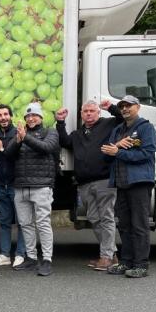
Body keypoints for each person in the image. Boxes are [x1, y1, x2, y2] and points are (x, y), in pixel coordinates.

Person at [55, 100, 123, 271]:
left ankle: (106, 257)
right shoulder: (78, 134)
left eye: (92, 110)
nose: (89, 114)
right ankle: (111, 253)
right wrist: (60, 122)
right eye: (85, 111)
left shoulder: (108, 124)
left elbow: (123, 118)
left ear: (98, 113)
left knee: (106, 217)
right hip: (84, 183)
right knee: (93, 217)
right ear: (81, 114)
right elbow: (65, 142)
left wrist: (112, 108)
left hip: (104, 180)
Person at [101, 95, 156, 278]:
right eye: (122, 106)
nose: (125, 109)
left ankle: (141, 265)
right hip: (121, 183)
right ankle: (125, 262)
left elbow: (147, 153)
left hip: (139, 182)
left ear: (138, 107)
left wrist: (119, 152)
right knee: (124, 225)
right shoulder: (117, 130)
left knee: (139, 225)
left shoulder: (145, 128)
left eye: (129, 106)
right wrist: (116, 147)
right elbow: (106, 155)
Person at [5, 102, 60, 276]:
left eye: (34, 115)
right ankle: (31, 257)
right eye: (28, 116)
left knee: (43, 223)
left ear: (41, 117)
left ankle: (47, 259)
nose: (31, 118)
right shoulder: (21, 135)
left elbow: (47, 148)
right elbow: (8, 154)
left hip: (42, 185)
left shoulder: (50, 132)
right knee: (25, 224)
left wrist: (25, 137)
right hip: (21, 186)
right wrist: (18, 141)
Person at [0, 104, 27, 268]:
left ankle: (20, 254)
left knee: (22, 222)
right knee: (4, 221)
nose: (3, 118)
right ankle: (4, 254)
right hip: (2, 184)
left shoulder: (18, 134)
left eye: (5, 114)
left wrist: (1, 147)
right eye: (0, 115)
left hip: (17, 184)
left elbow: (14, 156)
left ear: (10, 115)